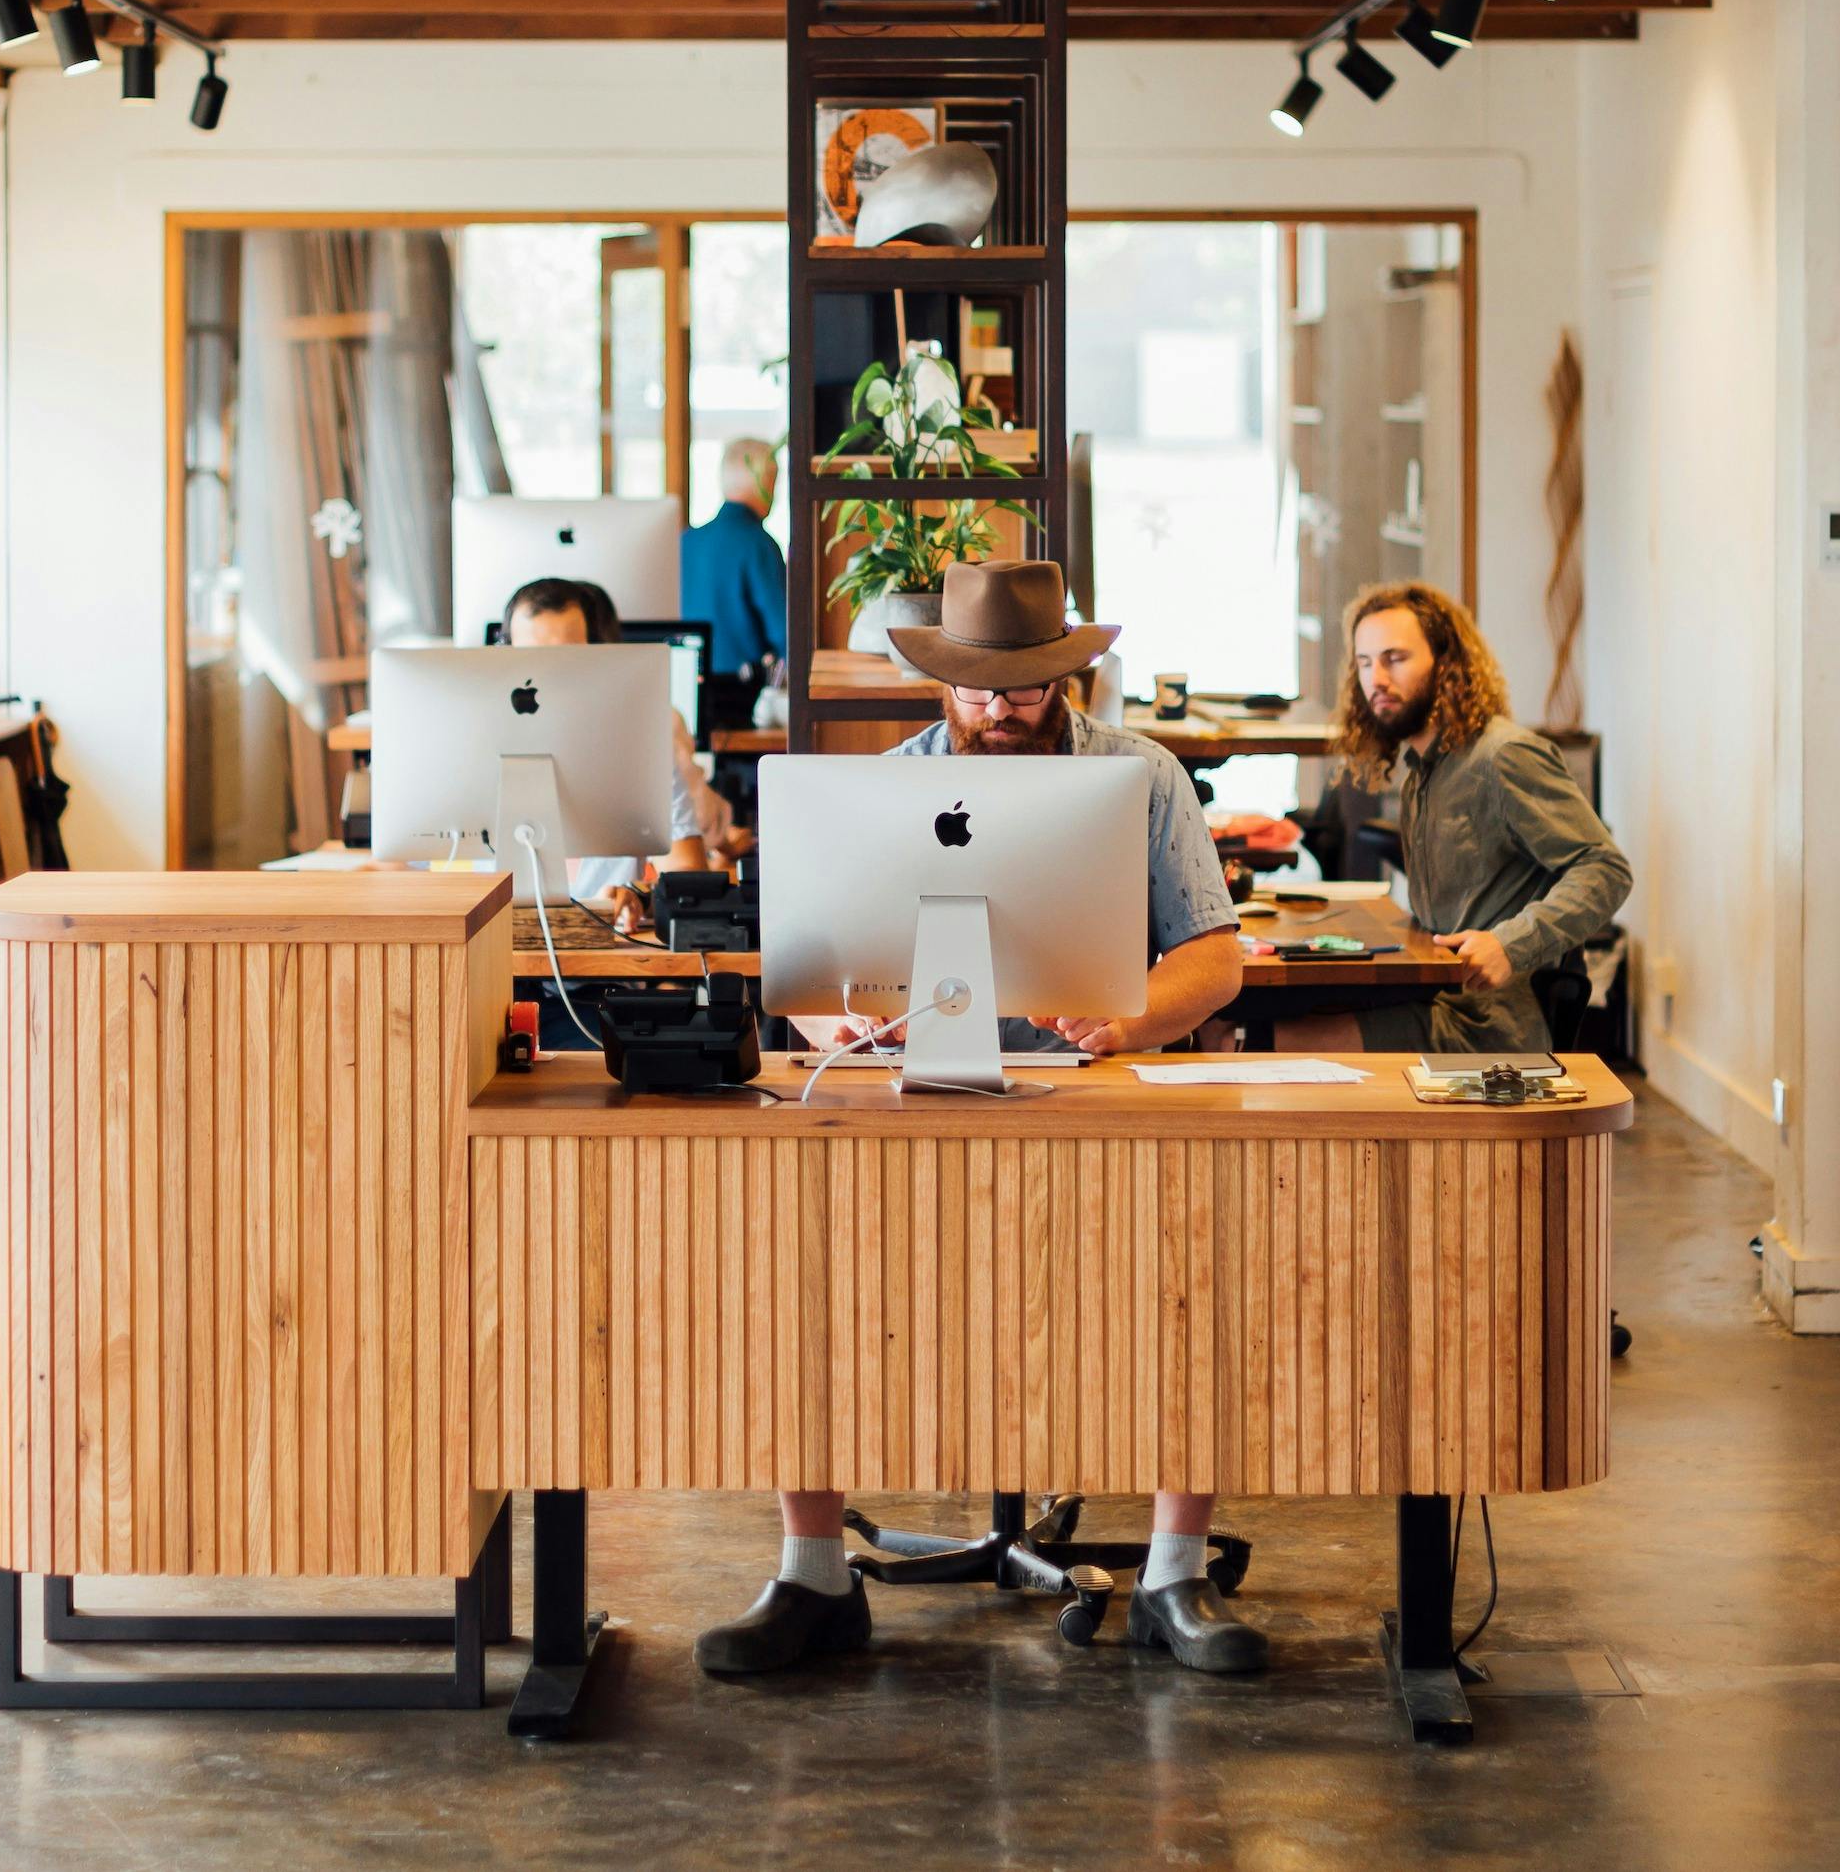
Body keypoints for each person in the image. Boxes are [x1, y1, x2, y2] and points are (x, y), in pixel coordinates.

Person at [695, 559, 1267, 1682]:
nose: (1001, 709)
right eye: (979, 690)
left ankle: (1173, 1572)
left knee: (1185, 1281)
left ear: (1063, 678)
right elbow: (805, 966)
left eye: (1025, 688)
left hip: (1093, 1083)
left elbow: (1216, 953)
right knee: (807, 1275)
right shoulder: (884, 787)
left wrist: (1125, 1020)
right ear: (942, 684)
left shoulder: (1140, 776)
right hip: (916, 1085)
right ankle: (813, 1573)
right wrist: (833, 1026)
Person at [1331, 580, 1631, 1053]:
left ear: (1446, 664)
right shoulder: (1419, 777)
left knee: (1260, 1040)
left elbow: (1606, 870)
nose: (1376, 680)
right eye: (1365, 663)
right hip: (1434, 998)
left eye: (1395, 658)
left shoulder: (1503, 756)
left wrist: (1510, 945)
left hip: (1486, 1026)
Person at [500, 577, 721, 931]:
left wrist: (639, 895)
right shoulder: (475, 746)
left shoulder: (640, 747)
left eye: (567, 658)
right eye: (532, 658)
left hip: (604, 962)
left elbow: (688, 876)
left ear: (599, 652)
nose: (547, 674)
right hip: (490, 952)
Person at [679, 436, 792, 683]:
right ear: (767, 482)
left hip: (687, 682)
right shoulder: (759, 544)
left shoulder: (687, 541)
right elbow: (784, 633)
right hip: (743, 692)